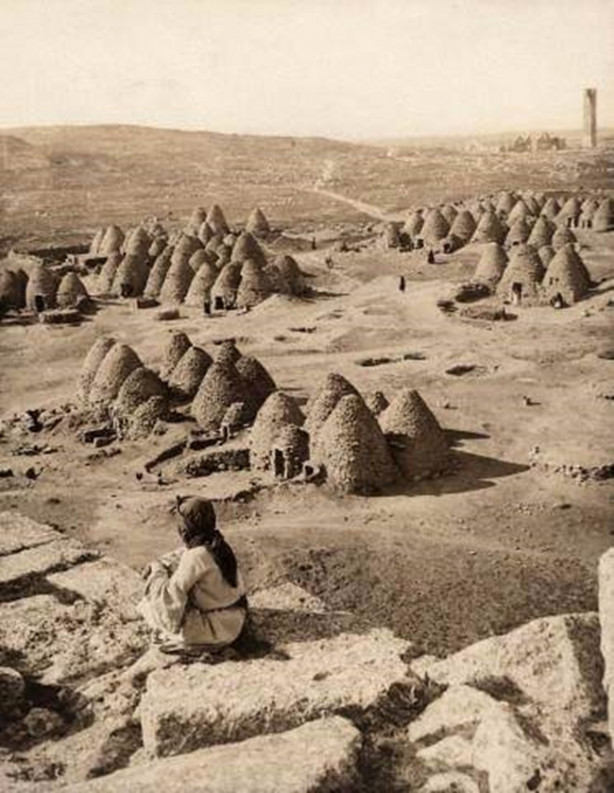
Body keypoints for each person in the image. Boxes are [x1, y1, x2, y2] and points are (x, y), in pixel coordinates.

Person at [138, 496, 247, 654]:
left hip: (215, 630)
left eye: (182, 523)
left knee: (148, 606)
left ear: (189, 526)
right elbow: (182, 554)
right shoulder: (218, 544)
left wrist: (157, 572)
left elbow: (170, 596)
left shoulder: (196, 556)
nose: (180, 529)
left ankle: (192, 642)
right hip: (236, 621)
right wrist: (161, 562)